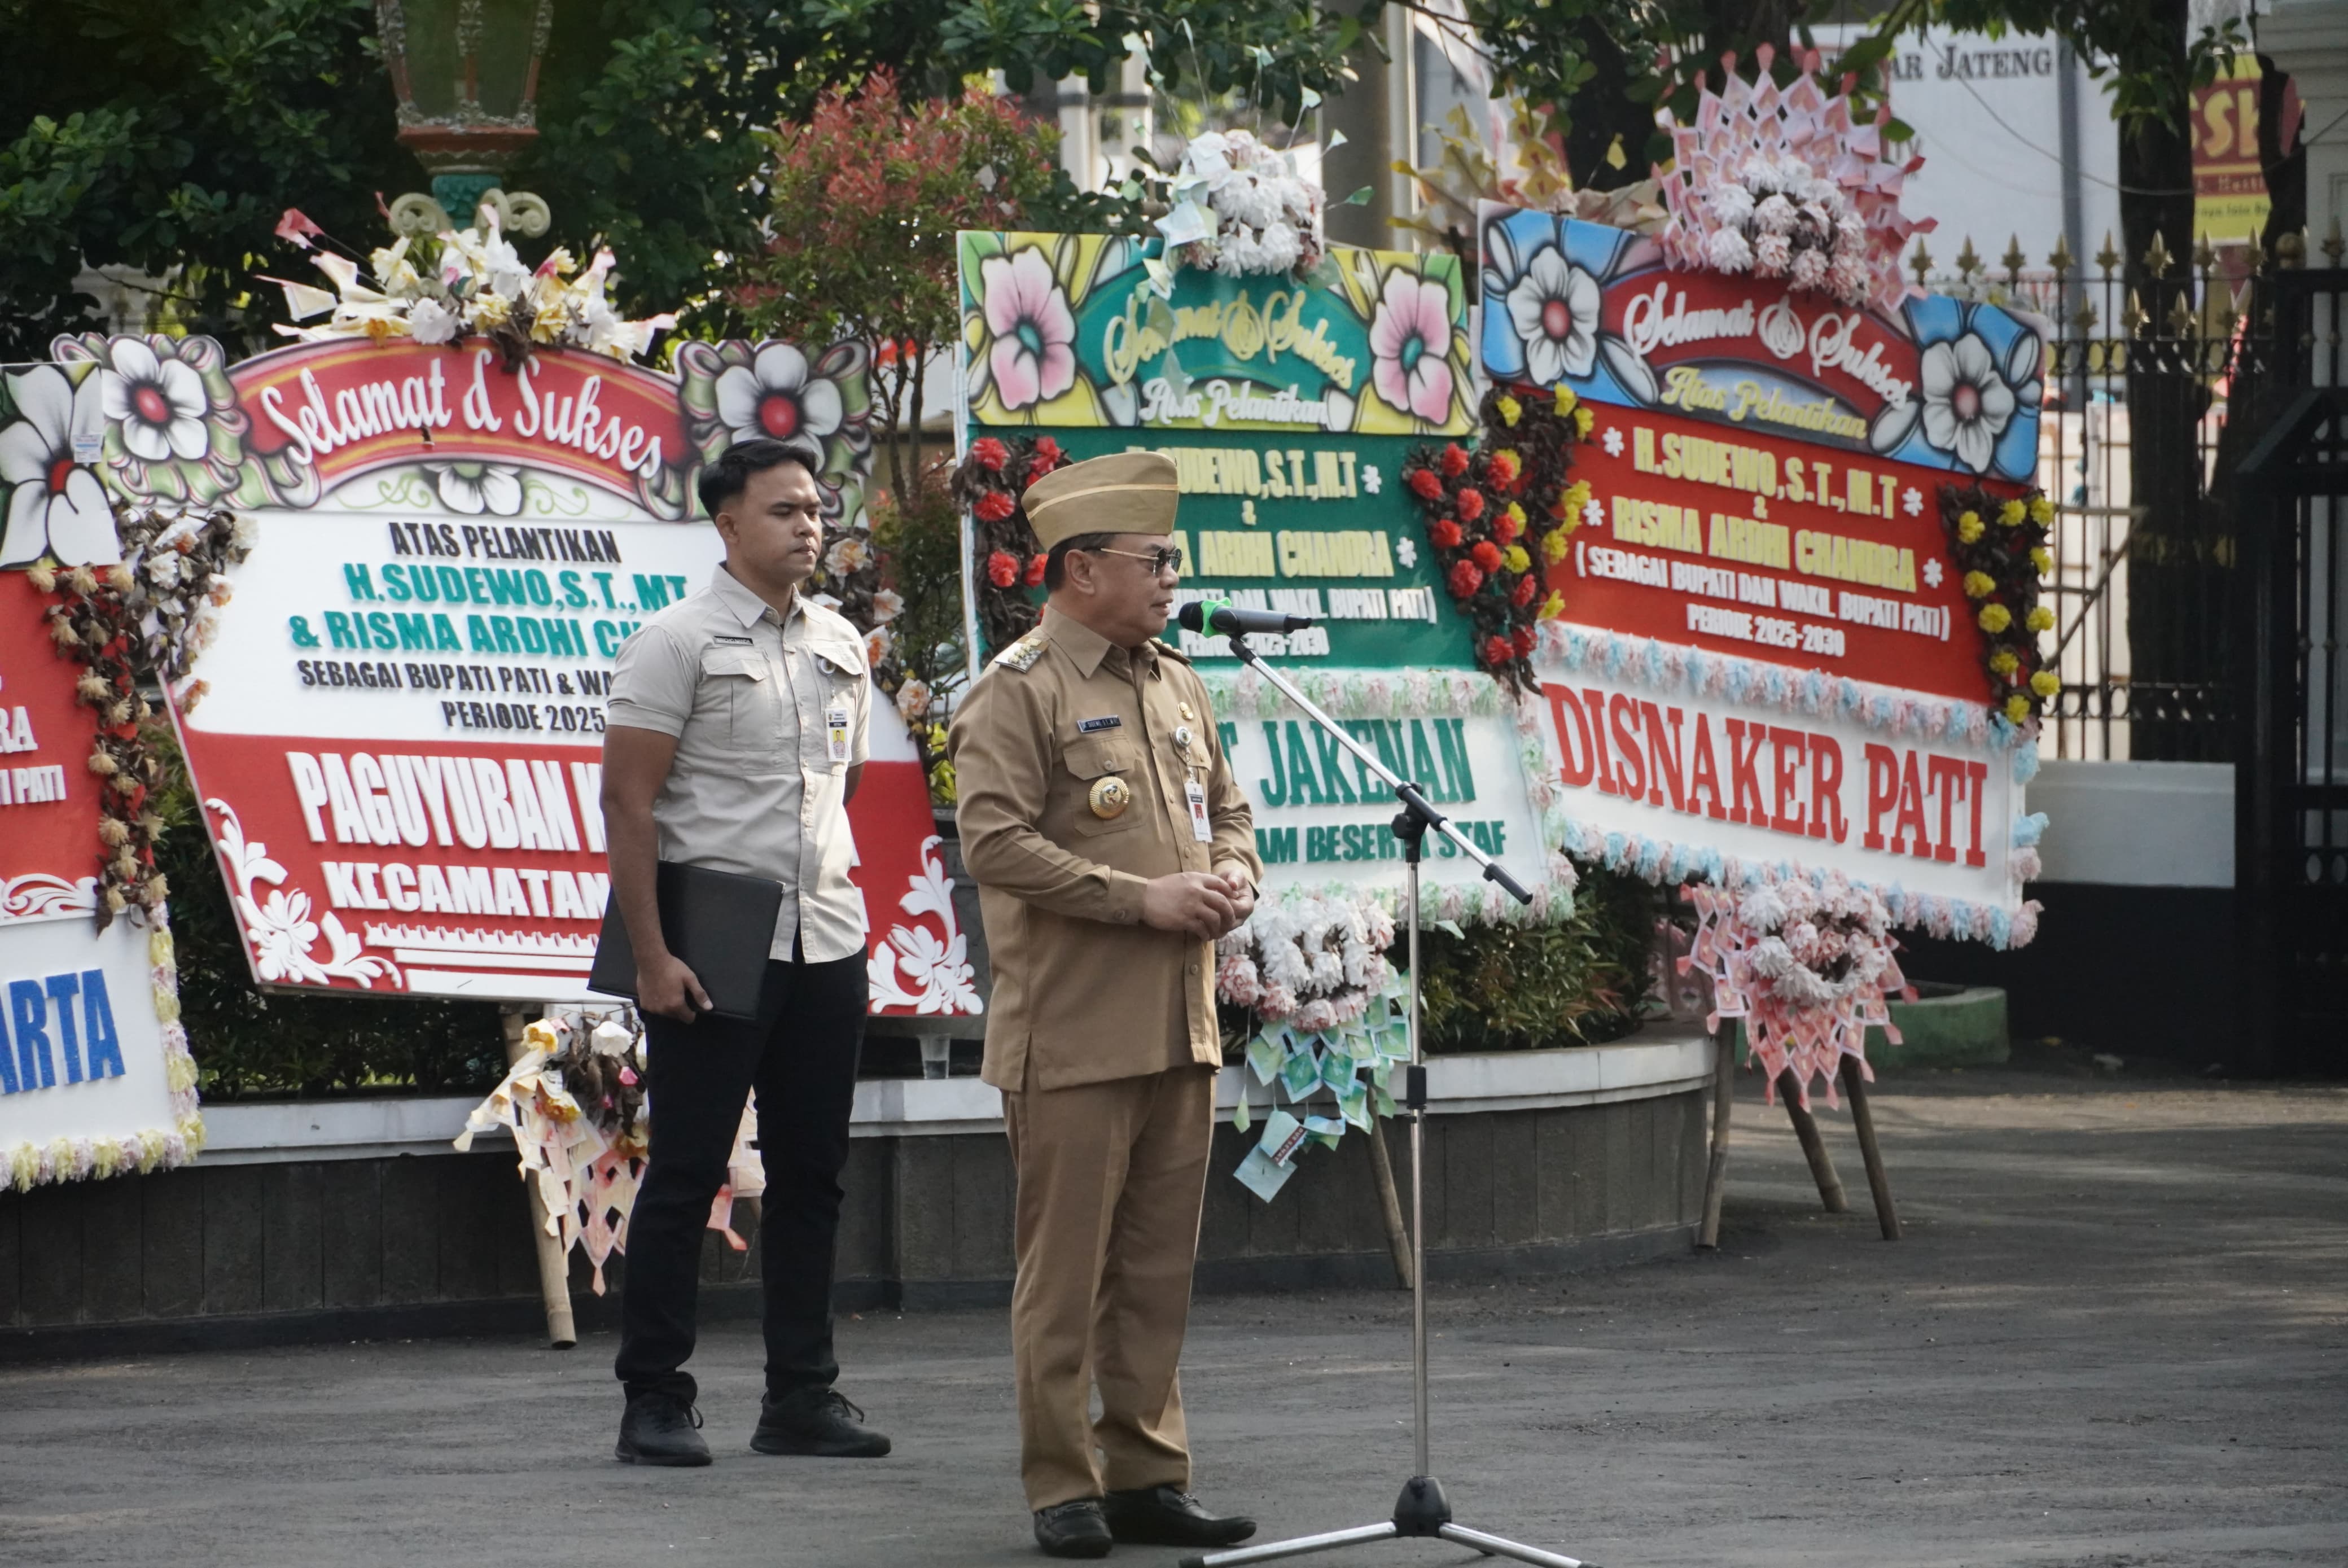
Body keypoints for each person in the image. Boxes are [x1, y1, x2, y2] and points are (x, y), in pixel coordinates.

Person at [948, 450, 1263, 1558]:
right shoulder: (1018, 688)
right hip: (1073, 1036)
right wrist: (1144, 900)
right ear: (1081, 570)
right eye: (1154, 559)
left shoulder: (1176, 680)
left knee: (1154, 1272)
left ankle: (1146, 1473)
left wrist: (1233, 878)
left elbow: (1228, 811)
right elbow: (993, 844)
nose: (1171, 577)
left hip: (1178, 1028)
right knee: (1066, 1277)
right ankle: (1062, 1485)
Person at [598, 437, 888, 1466]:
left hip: (828, 940)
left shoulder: (844, 641)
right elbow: (629, 804)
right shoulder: (673, 641)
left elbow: (836, 792)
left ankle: (801, 1396)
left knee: (814, 1177)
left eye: (815, 508)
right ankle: (655, 1399)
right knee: (684, 1175)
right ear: (728, 524)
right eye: (783, 510)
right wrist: (650, 953)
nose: (808, 524)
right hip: (713, 949)